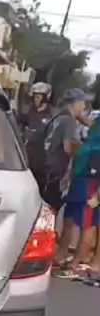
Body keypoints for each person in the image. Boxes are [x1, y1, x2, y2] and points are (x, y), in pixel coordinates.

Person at [53, 103, 100, 279]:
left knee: (87, 225)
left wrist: (97, 196)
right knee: (69, 218)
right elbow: (88, 121)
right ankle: (62, 254)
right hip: (78, 182)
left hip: (91, 187)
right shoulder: (95, 129)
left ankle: (75, 265)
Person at [43, 88, 92, 218]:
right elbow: (69, 147)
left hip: (47, 169)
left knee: (48, 209)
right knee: (51, 211)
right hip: (56, 173)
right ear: (75, 103)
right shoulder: (69, 121)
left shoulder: (58, 117)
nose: (84, 107)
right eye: (83, 103)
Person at [19, 81, 55, 193]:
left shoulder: (52, 115)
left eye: (39, 97)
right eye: (34, 97)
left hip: (42, 164)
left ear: (46, 98)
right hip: (27, 160)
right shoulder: (30, 112)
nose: (36, 100)